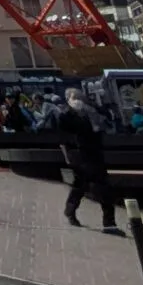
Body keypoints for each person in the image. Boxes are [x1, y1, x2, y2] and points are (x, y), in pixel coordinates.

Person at [59, 88, 121, 231]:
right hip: (80, 155)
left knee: (101, 186)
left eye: (79, 96)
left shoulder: (91, 111)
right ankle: (71, 211)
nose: (78, 99)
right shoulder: (66, 115)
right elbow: (63, 137)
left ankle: (109, 223)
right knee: (82, 185)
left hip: (94, 154)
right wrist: (67, 156)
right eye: (74, 97)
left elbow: (104, 122)